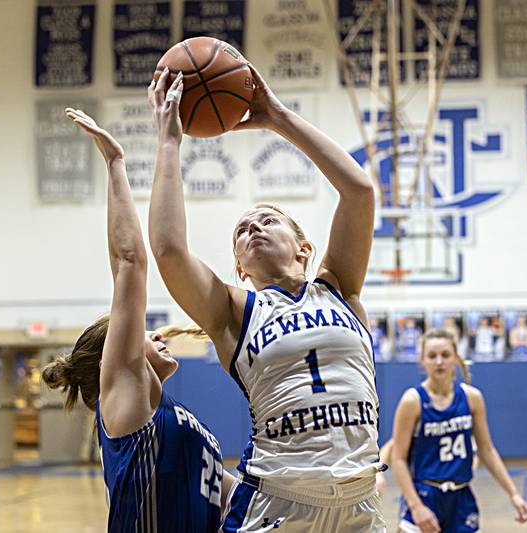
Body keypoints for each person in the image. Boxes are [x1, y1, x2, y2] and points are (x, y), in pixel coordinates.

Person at [147, 66, 384, 531]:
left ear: (304, 248)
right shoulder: (233, 312)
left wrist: (276, 116)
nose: (253, 227)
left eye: (267, 220)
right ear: (240, 268)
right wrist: (170, 144)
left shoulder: (340, 289)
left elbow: (359, 191)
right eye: (242, 229)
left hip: (359, 503)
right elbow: (169, 250)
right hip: (278, 505)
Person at [41, 108, 232, 532]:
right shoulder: (126, 401)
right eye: (142, 332)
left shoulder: (168, 412)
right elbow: (130, 262)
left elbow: (228, 494)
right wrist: (115, 165)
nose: (157, 333)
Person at [388, 329, 527, 532]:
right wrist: (416, 506)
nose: (439, 361)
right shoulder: (412, 401)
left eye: (445, 355)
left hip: (461, 498)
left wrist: (514, 494)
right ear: (422, 360)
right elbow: (398, 459)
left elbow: (487, 450)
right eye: (432, 356)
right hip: (425, 494)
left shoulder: (472, 398)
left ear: (455, 357)